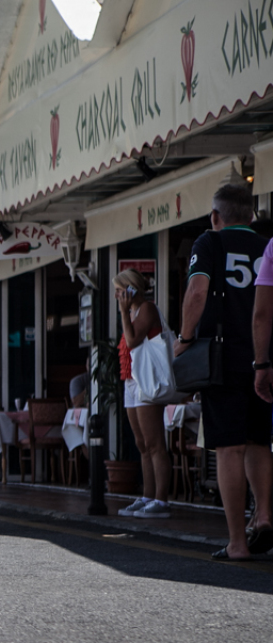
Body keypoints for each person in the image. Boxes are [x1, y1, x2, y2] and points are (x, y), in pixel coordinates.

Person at [176, 184, 271, 561]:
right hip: (264, 357)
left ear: (216, 216)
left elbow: (198, 292)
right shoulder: (267, 245)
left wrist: (184, 339)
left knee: (229, 448)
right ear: (251, 215)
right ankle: (264, 514)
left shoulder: (208, 242)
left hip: (223, 356)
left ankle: (237, 542)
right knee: (260, 442)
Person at [113, 270, 170, 520]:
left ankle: (161, 499)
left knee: (155, 442)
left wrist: (124, 312)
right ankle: (148, 495)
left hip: (146, 380)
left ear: (131, 289)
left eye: (119, 290)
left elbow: (133, 340)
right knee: (142, 444)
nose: (117, 295)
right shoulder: (132, 312)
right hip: (131, 380)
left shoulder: (146, 309)